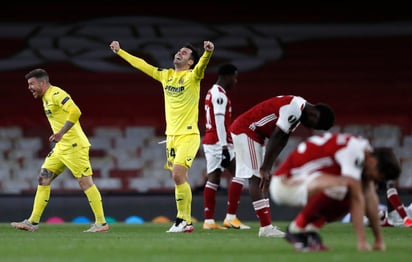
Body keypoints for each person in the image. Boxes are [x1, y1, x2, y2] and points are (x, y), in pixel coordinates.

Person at [109, 40, 214, 233]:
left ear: (190, 62)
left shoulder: (193, 76)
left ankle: (182, 219)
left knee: (177, 174)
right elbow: (142, 65)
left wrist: (207, 53)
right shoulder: (165, 75)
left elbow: (202, 66)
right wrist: (120, 52)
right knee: (179, 179)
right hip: (171, 136)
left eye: (184, 53)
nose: (179, 53)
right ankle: (186, 223)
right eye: (179, 51)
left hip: (188, 135)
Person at [11, 68, 109, 233]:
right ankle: (32, 222)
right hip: (61, 148)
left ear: (42, 83)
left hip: (74, 146)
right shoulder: (45, 97)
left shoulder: (56, 94)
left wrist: (61, 133)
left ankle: (101, 223)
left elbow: (76, 111)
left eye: (31, 84)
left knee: (85, 183)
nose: (29, 87)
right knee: (43, 178)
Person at [270, 132, 401, 251]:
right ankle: (297, 229)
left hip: (304, 181)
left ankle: (307, 231)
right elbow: (357, 198)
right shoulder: (355, 152)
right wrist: (362, 241)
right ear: (373, 162)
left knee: (349, 188)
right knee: (345, 187)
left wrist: (379, 240)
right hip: (285, 184)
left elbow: (370, 197)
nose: (375, 179)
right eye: (379, 176)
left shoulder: (364, 153)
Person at [229, 95, 335, 237]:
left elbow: (283, 139)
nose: (309, 127)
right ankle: (266, 228)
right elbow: (277, 136)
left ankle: (267, 226)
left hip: (255, 133)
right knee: (255, 177)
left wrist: (269, 167)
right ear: (314, 115)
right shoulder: (294, 108)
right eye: (314, 125)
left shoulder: (298, 109)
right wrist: (265, 168)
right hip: (247, 130)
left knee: (261, 177)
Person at [202, 63, 250, 230]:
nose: (235, 81)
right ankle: (231, 217)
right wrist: (224, 147)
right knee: (240, 173)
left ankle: (209, 221)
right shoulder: (220, 96)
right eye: (234, 77)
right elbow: (220, 122)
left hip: (209, 140)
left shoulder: (211, 92)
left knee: (213, 178)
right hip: (219, 141)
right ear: (227, 76)